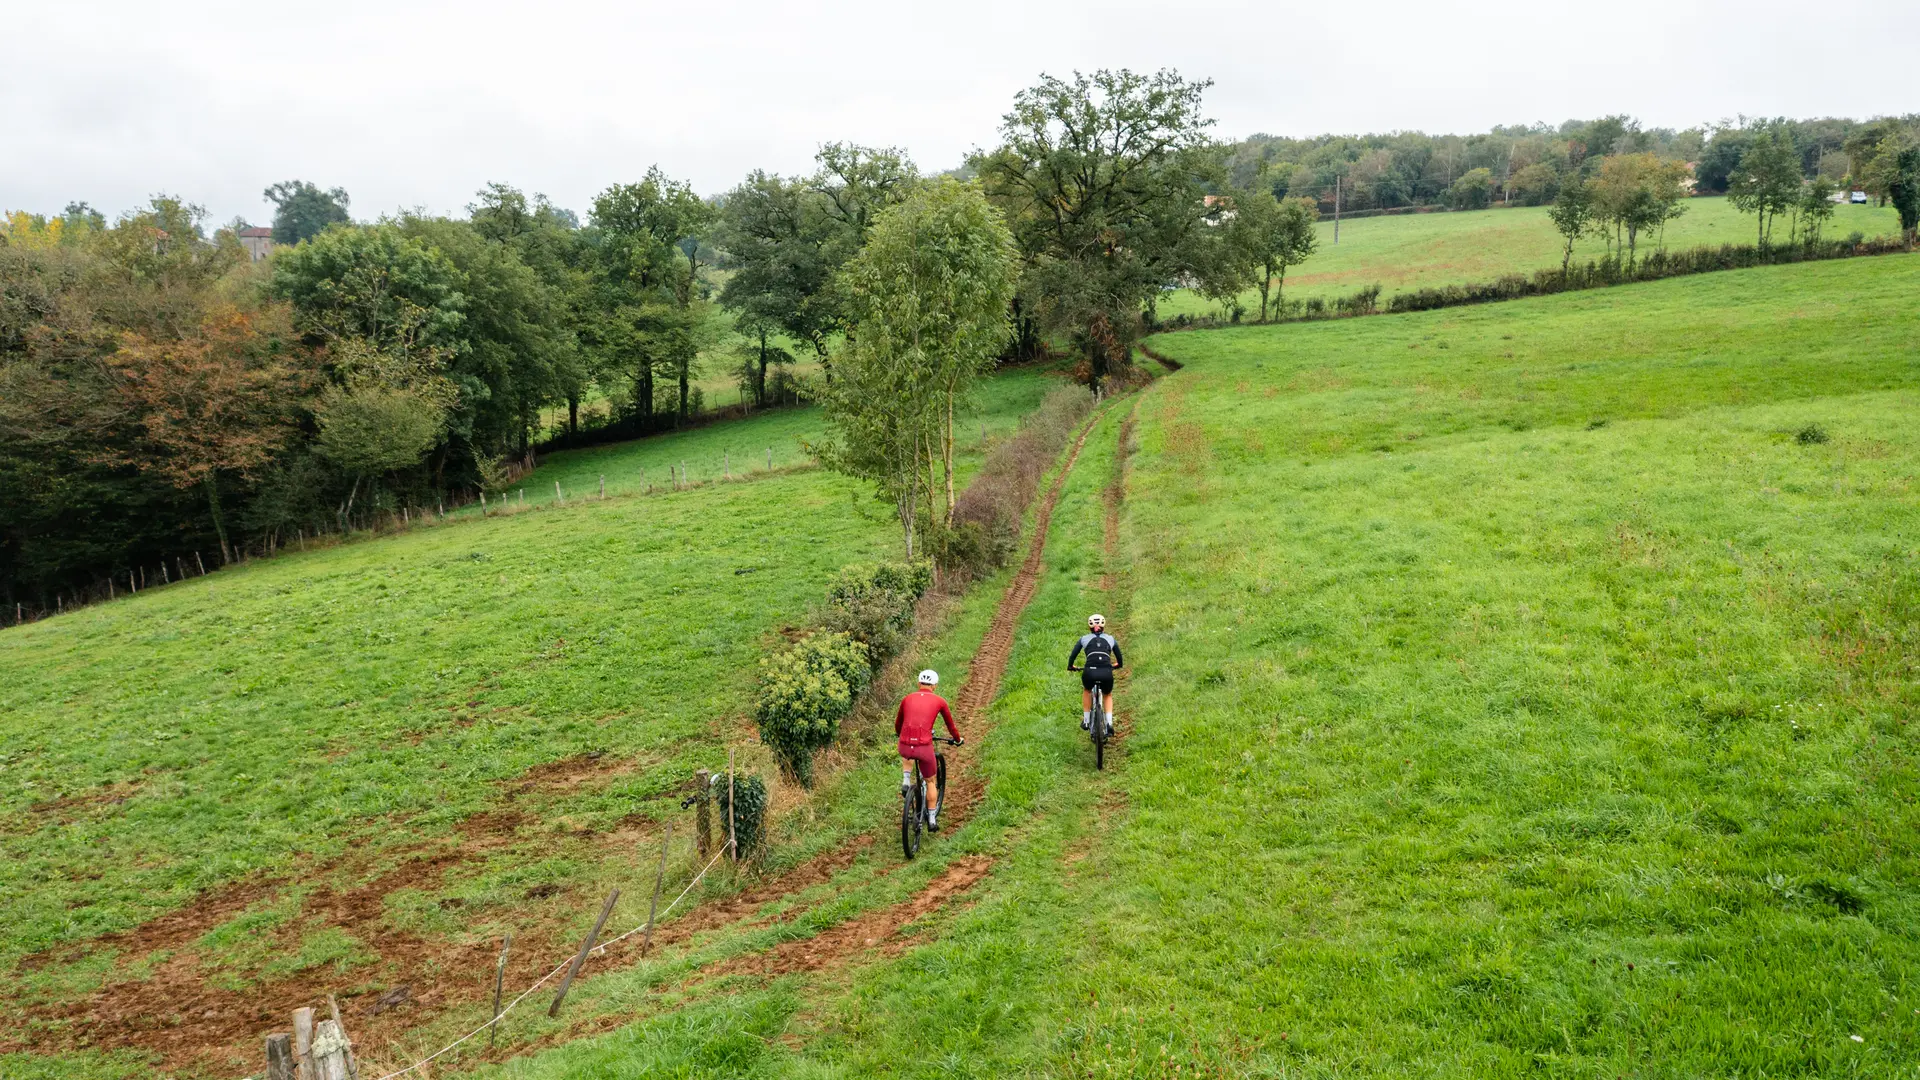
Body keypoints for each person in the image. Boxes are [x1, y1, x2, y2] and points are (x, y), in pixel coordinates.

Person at [895, 669, 962, 830]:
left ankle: (906, 780)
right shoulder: (940, 701)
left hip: (904, 744)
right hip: (924, 747)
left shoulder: (907, 699)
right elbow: (951, 726)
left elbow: (898, 724)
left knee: (908, 752)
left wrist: (900, 735)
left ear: (919, 683)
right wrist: (957, 739)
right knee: (931, 781)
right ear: (935, 686)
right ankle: (932, 819)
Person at [1068, 614, 1123, 735]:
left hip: (1089, 672)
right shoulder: (1110, 639)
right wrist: (1117, 665)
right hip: (1106, 672)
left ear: (1089, 626)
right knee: (1107, 694)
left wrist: (1071, 666)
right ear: (1104, 625)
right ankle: (1109, 723)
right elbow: (1120, 658)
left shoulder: (1084, 639)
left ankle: (1086, 721)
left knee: (1087, 690)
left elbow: (1073, 655)